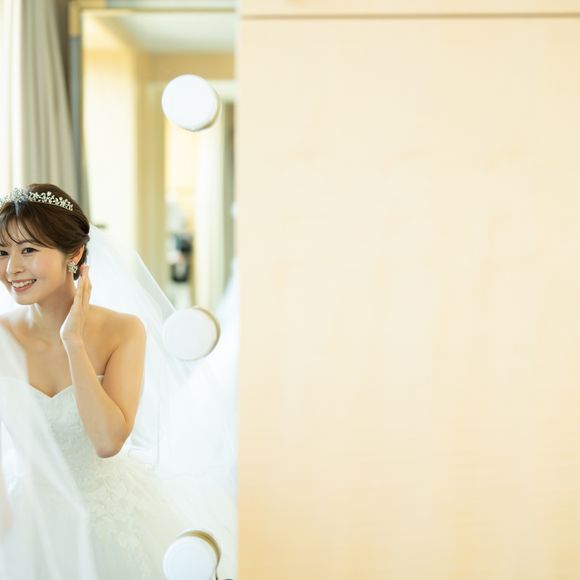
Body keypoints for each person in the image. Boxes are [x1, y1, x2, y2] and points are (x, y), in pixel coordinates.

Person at [0, 184, 236, 579]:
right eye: (2, 252)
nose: (11, 270)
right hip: (21, 513)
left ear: (74, 254)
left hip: (106, 519)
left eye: (28, 250)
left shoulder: (123, 331)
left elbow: (107, 442)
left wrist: (74, 343)